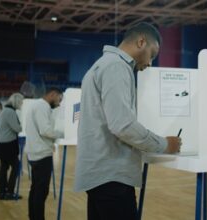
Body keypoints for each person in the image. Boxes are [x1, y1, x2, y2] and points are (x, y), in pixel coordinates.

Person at [74, 22, 181, 220]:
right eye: (152, 55)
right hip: (111, 177)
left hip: (100, 175)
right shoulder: (117, 67)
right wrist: (165, 144)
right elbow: (122, 125)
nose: (150, 63)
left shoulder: (102, 65)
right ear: (141, 41)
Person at [24, 88, 64, 220]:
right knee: (41, 191)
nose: (59, 103)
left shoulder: (36, 105)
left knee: (36, 189)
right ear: (52, 94)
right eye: (59, 99)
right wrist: (63, 134)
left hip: (35, 152)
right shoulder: (42, 106)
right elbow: (45, 130)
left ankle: (33, 216)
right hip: (41, 154)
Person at [0, 93, 24, 200]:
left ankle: (2, 192)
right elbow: (17, 128)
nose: (21, 104)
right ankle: (10, 192)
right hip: (8, 144)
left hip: (1, 143)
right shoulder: (11, 111)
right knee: (16, 167)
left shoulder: (5, 110)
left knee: (3, 168)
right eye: (21, 102)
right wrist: (23, 125)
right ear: (16, 101)